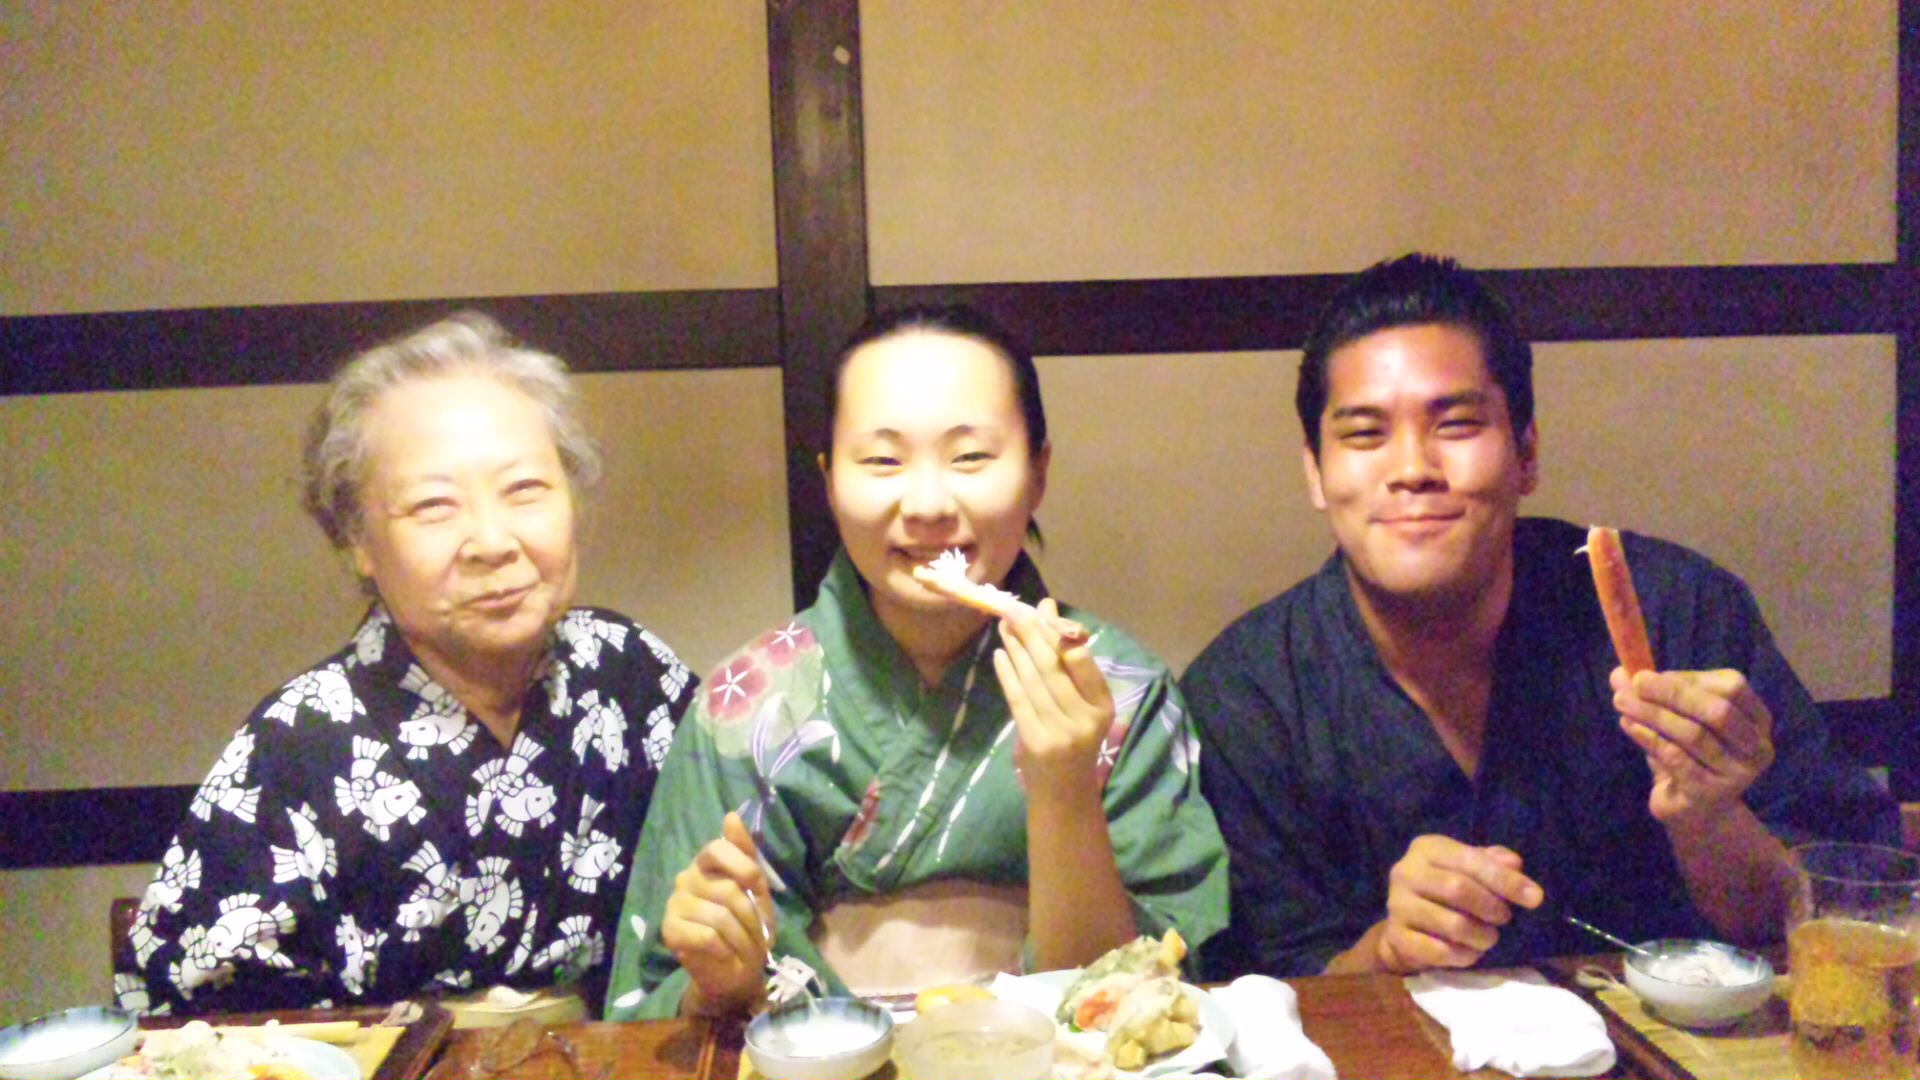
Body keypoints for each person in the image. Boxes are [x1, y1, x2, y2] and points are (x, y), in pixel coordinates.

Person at [1183, 253, 1899, 980]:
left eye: (1457, 424)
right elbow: (1263, 999)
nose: (1412, 469)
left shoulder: (1677, 613)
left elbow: (1838, 914)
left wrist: (1711, 817)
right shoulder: (1249, 696)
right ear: (1315, 471)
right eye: (1366, 435)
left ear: (1525, 453)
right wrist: (1387, 951)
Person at [605, 305, 1227, 1019]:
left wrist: (1064, 790)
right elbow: (662, 997)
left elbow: (1156, 998)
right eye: (882, 461)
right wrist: (721, 979)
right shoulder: (747, 705)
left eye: (970, 457)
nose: (928, 504)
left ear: (1038, 472)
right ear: (829, 480)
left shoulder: (1121, 689)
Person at [121, 313, 695, 1014]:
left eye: (524, 489)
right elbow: (185, 1018)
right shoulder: (298, 744)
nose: (492, 541)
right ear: (358, 540)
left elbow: (733, 884)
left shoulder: (629, 674)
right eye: (433, 506)